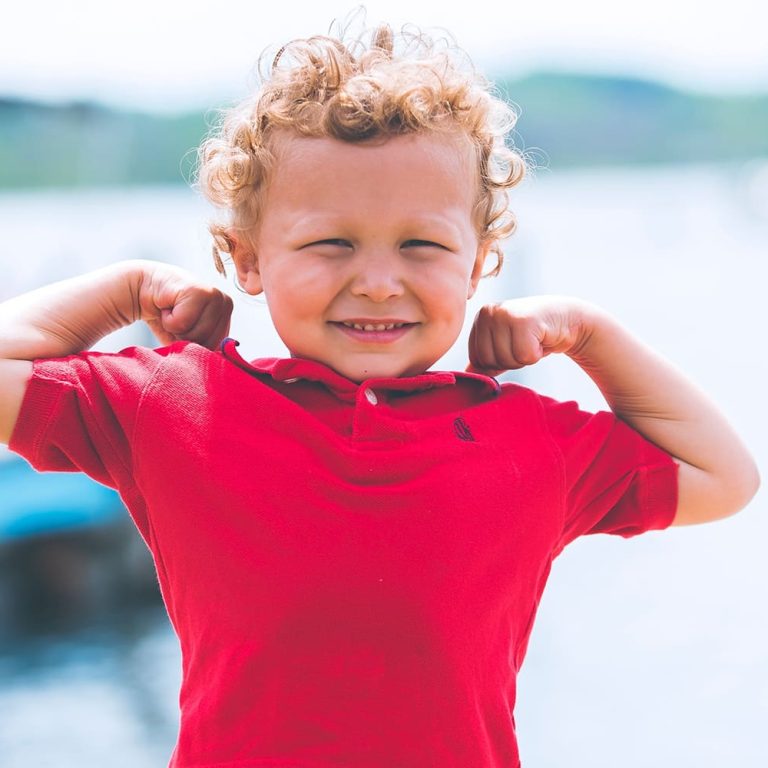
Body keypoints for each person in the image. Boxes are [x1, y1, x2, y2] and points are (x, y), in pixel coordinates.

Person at [0, 21, 759, 768]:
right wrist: (123, 289)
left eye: (421, 245)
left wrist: (591, 334)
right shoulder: (173, 403)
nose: (376, 279)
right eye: (330, 242)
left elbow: (727, 479)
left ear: (478, 264)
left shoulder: (531, 439)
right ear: (247, 257)